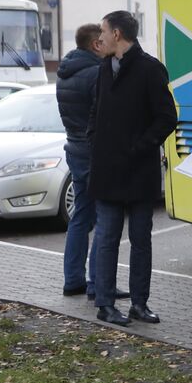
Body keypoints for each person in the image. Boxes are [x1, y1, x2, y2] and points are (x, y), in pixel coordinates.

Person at [88, 10, 178, 327]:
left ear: (117, 35)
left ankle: (139, 304)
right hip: (108, 171)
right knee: (107, 239)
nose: (99, 38)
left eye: (103, 31)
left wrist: (139, 147)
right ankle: (105, 305)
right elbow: (96, 110)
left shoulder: (150, 70)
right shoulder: (103, 68)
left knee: (141, 241)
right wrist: (93, 140)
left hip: (139, 171)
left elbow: (167, 117)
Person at [56, 23, 127, 304]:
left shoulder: (65, 73)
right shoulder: (97, 74)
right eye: (104, 39)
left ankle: (73, 280)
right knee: (106, 218)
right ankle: (98, 283)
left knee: (81, 216)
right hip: (96, 152)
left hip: (75, 149)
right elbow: (107, 116)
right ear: (96, 45)